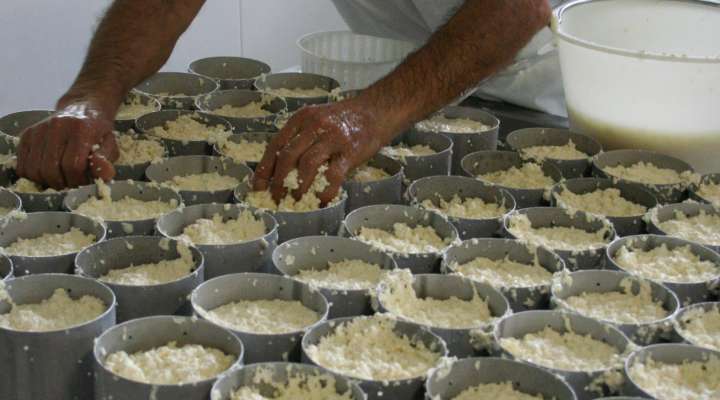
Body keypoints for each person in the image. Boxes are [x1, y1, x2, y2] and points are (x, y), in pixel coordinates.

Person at [17, 0, 552, 205]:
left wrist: (366, 118)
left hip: (545, 88)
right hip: (418, 74)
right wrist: (88, 98)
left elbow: (515, 10)